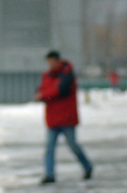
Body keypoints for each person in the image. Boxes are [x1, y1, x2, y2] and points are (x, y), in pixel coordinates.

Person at [34, 50, 93, 184]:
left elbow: (60, 91)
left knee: (73, 145)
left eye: (52, 61)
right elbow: (40, 91)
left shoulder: (67, 74)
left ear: (57, 61)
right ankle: (50, 175)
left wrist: (44, 96)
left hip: (67, 118)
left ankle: (87, 167)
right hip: (53, 119)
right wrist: (43, 95)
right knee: (50, 148)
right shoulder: (47, 76)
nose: (50, 64)